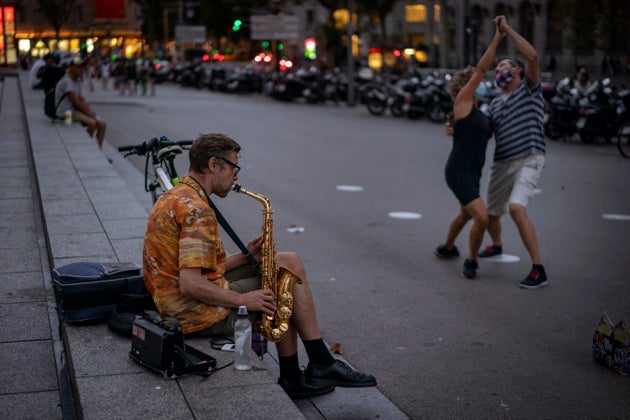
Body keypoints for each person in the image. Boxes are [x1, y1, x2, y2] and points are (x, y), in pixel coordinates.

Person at [142, 133, 377, 400]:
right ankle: (314, 365)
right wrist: (244, 300)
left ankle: (301, 370)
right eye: (233, 167)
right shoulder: (198, 211)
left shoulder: (175, 195)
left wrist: (244, 258)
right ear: (213, 165)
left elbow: (191, 269)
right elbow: (191, 284)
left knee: (287, 261)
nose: (236, 176)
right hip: (193, 314)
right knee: (279, 282)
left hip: (171, 303)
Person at [477, 16, 548, 289]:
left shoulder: (530, 89)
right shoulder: (494, 104)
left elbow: (532, 55)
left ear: (518, 70)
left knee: (517, 209)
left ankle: (538, 269)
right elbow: (482, 132)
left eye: (504, 66)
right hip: (503, 162)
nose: (499, 71)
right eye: (496, 69)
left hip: (530, 157)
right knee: (492, 214)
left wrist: (506, 30)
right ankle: (496, 245)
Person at [434, 18, 505, 279]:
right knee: (481, 217)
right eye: (475, 80)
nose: (481, 81)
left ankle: (447, 247)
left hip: (474, 171)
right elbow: (481, 69)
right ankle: (472, 261)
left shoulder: (477, 111)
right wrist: (497, 38)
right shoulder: (462, 102)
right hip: (458, 170)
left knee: (465, 214)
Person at [55, 58, 107, 148]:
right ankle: (86, 148)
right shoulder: (68, 81)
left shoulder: (76, 81)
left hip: (74, 111)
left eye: (82, 67)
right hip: (65, 114)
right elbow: (76, 102)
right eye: (77, 67)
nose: (80, 69)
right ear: (71, 68)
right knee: (92, 123)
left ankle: (98, 151)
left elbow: (82, 100)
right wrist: (90, 115)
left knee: (102, 125)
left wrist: (90, 112)